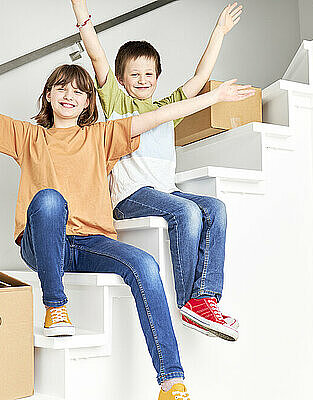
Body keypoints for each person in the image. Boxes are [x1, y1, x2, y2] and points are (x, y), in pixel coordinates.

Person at [0, 51, 254, 400]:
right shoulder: (28, 136)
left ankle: (171, 382)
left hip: (89, 242)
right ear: (48, 96)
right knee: (48, 199)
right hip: (44, 243)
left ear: (89, 103)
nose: (70, 96)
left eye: (79, 91)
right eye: (62, 88)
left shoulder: (101, 136)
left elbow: (158, 116)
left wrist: (214, 97)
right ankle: (55, 305)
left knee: (146, 265)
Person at [70, 0, 245, 349]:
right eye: (134, 74)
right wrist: (80, 9)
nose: (142, 80)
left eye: (149, 74)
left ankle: (206, 297)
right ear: (121, 80)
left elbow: (199, 78)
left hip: (164, 190)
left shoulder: (168, 109)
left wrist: (219, 32)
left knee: (215, 208)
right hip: (129, 197)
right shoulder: (119, 105)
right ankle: (188, 301)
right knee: (185, 211)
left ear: (157, 78)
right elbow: (96, 57)